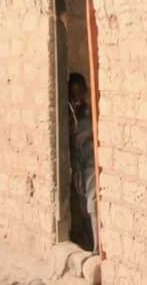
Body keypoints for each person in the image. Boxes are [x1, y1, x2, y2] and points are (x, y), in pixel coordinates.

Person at [68, 72, 97, 253]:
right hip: (78, 167)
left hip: (91, 164)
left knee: (92, 203)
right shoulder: (70, 117)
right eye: (73, 94)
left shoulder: (91, 112)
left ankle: (96, 247)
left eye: (80, 93)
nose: (77, 98)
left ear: (85, 93)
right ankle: (89, 242)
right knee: (82, 205)